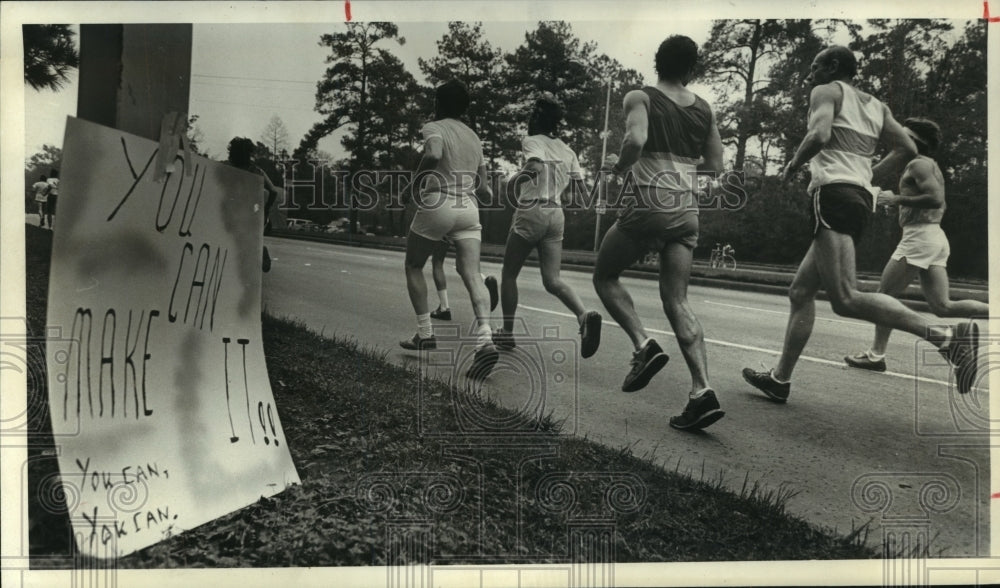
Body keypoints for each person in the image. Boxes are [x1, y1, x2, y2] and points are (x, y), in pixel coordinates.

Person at [742, 46, 980, 401]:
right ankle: (779, 379)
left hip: (834, 196)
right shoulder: (876, 106)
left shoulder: (826, 91)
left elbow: (820, 135)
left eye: (815, 65)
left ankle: (948, 339)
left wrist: (792, 165)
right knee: (800, 292)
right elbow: (906, 149)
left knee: (846, 298)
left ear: (834, 67)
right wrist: (865, 177)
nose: (810, 73)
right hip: (852, 198)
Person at [592, 35, 725, 430]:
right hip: (686, 210)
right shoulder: (704, 108)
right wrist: (681, 171)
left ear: (657, 62)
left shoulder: (641, 96)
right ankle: (702, 391)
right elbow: (716, 165)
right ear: (692, 68)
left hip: (650, 202)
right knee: (678, 300)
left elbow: (635, 140)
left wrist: (619, 169)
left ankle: (643, 345)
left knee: (604, 275)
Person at [844, 117, 988, 371]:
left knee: (884, 297)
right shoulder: (927, 164)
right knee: (943, 307)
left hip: (920, 238)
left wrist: (895, 199)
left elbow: (935, 198)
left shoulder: (918, 165)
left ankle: (876, 355)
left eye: (903, 135)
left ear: (913, 141)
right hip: (933, 237)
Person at [400, 80, 498, 380]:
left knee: (414, 265)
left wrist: (413, 186)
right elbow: (484, 190)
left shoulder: (434, 127)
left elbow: (432, 154)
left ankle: (425, 333)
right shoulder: (474, 137)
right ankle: (485, 340)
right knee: (471, 273)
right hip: (467, 209)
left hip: (438, 202)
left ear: (438, 103)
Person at [493, 94, 603, 357]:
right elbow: (582, 193)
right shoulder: (568, 150)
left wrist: (513, 183)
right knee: (553, 280)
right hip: (556, 213)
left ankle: (507, 334)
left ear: (537, 118)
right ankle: (583, 315)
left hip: (532, 209)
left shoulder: (532, 141)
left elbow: (534, 165)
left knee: (509, 274)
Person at [226, 137, 280, 272]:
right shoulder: (256, 171)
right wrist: (266, 210)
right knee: (247, 238)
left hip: (230, 208)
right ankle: (259, 251)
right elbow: (273, 191)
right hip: (250, 211)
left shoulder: (227, 167)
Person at [428, 237, 499, 321]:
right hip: (466, 226)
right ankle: (484, 285)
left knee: (437, 261)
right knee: (463, 267)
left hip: (447, 227)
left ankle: (444, 307)